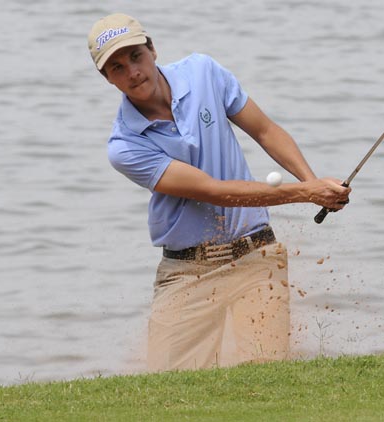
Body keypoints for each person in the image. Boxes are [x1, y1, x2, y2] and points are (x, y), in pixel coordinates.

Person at [87, 13, 350, 371]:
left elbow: (265, 131)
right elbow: (214, 192)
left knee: (268, 378)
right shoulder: (124, 146)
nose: (132, 72)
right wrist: (306, 192)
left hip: (256, 255)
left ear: (152, 49)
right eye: (117, 67)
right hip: (187, 270)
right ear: (107, 79)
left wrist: (317, 184)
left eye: (136, 56)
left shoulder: (202, 73)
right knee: (168, 391)